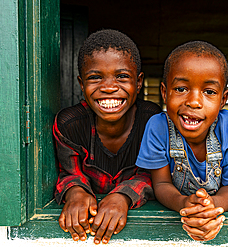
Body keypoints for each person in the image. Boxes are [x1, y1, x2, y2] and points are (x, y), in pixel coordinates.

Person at [53, 29, 161, 244]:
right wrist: (75, 191)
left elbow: (157, 176)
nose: (109, 87)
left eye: (122, 77)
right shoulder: (70, 125)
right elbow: (69, 171)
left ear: (139, 82)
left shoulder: (153, 121)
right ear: (81, 84)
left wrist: (122, 196)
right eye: (95, 78)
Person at [136, 41, 228, 241]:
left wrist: (210, 209)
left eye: (209, 92)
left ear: (223, 100)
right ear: (164, 92)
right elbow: (161, 183)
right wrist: (184, 204)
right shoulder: (158, 127)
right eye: (180, 89)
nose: (194, 102)